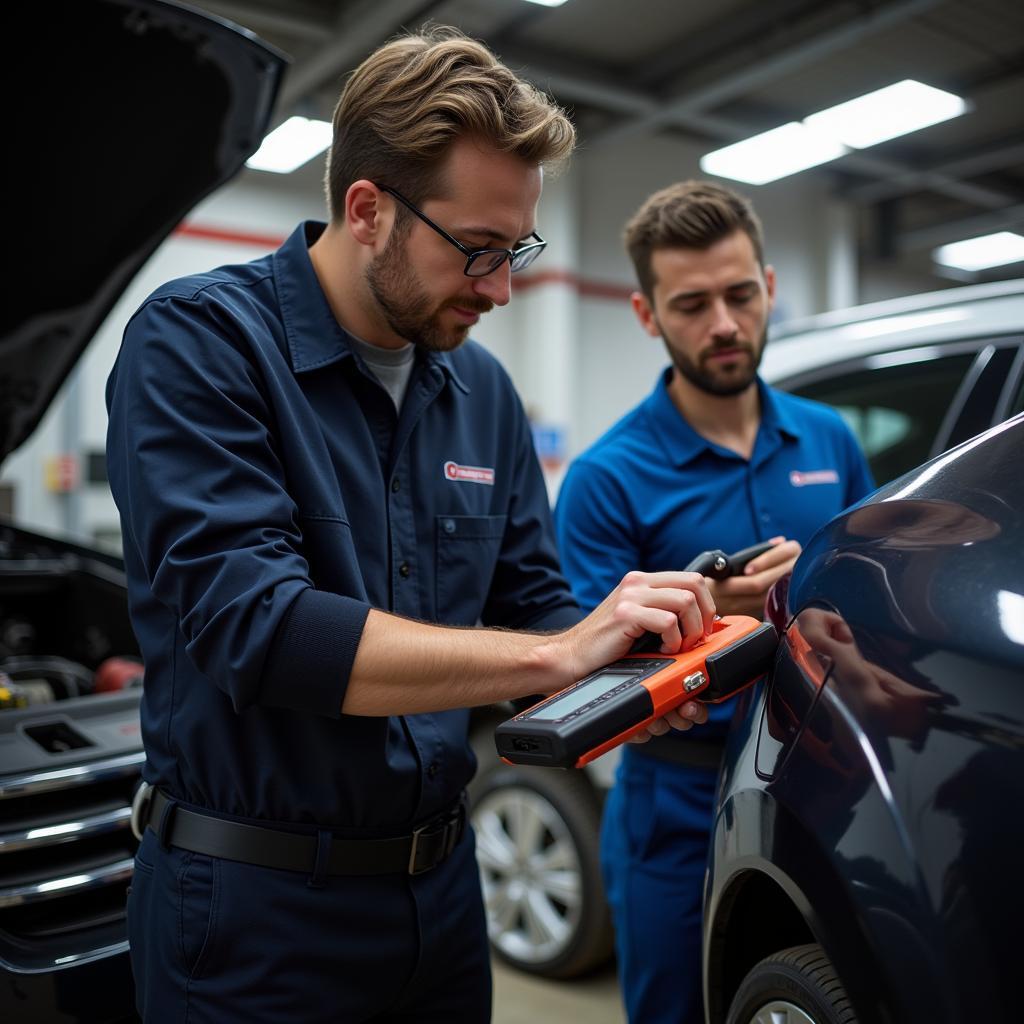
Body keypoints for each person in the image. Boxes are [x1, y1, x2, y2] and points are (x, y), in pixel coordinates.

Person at [106, 28, 717, 1024]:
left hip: (440, 896)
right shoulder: (201, 344)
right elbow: (255, 626)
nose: (499, 287)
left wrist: (635, 668)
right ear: (367, 209)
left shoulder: (479, 390)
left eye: (514, 249)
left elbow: (534, 605)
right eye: (477, 249)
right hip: (254, 915)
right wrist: (561, 654)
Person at [553, 180, 874, 1024]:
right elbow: (588, 684)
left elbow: (875, 593)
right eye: (691, 304)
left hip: (822, 784)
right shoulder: (605, 479)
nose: (723, 324)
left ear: (768, 287)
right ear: (646, 313)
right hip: (675, 807)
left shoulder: (831, 439)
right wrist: (710, 617)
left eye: (738, 295)